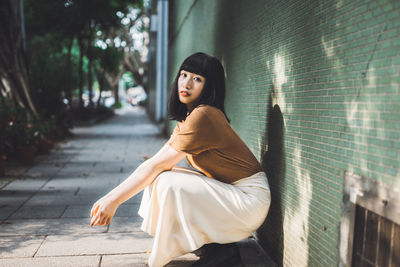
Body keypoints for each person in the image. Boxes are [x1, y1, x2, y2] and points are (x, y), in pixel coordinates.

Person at [89, 52, 271, 267]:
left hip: (249, 202)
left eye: (197, 79)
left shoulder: (204, 116)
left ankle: (220, 250)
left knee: (167, 181)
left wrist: (113, 201)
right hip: (237, 195)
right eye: (184, 75)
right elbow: (157, 163)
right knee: (163, 176)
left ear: (209, 86)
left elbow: (156, 163)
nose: (186, 83)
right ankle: (215, 247)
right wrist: (113, 197)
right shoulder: (190, 118)